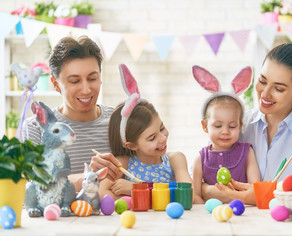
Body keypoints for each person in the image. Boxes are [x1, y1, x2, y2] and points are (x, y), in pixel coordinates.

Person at [202, 43, 292, 205]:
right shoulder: (239, 124)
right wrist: (207, 190)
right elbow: (201, 173)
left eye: (278, 89)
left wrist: (263, 195)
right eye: (262, 81)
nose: (265, 93)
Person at [21, 36, 116, 191]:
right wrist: (87, 179)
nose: (86, 90)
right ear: (55, 84)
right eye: (74, 81)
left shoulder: (118, 122)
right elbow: (32, 188)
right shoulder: (36, 128)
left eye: (92, 78)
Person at [98, 64, 192, 199]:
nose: (162, 138)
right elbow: (102, 193)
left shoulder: (175, 159)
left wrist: (138, 190)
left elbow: (189, 193)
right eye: (152, 138)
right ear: (132, 145)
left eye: (162, 128)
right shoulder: (123, 163)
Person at [191, 65, 260, 204]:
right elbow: (196, 197)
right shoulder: (201, 159)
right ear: (205, 126)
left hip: (243, 214)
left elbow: (256, 189)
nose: (225, 131)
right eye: (218, 126)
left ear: (240, 126)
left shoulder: (247, 152)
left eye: (232, 126)